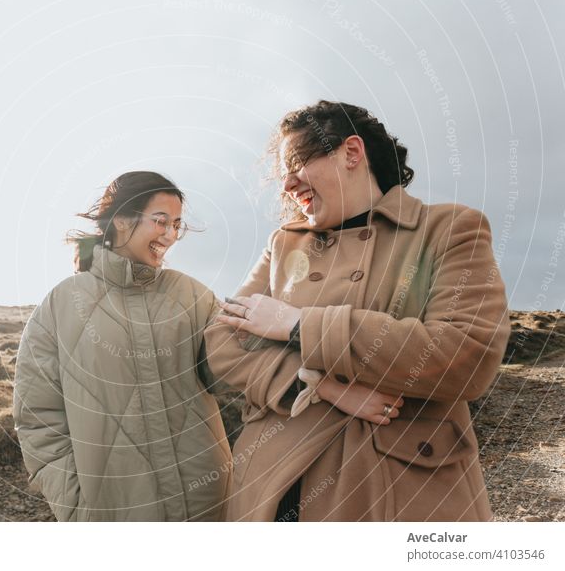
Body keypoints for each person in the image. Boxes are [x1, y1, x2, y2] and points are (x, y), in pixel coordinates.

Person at [205, 100, 511, 521]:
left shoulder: (449, 229)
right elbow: (222, 340)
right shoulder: (283, 244)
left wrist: (297, 324)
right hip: (272, 482)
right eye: (282, 174)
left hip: (396, 481)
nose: (288, 184)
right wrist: (316, 386)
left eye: (296, 163)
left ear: (351, 153)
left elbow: (466, 353)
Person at [12, 171, 234, 521]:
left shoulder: (192, 295)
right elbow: (38, 420)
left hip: (209, 506)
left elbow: (230, 375)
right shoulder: (60, 306)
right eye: (161, 221)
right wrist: (77, 509)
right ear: (120, 221)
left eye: (177, 225)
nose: (171, 235)